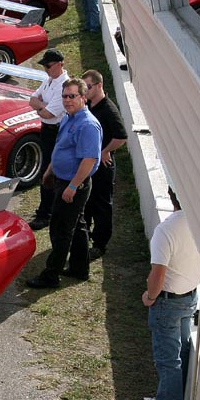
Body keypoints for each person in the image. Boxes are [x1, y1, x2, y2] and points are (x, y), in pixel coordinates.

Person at [140, 187, 200, 400]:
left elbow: (158, 275)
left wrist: (149, 297)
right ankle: (167, 398)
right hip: (189, 296)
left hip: (167, 302)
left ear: (170, 196)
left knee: (168, 360)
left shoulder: (166, 230)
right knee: (182, 351)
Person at [26, 78, 102, 289]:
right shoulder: (69, 117)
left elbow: (90, 160)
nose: (67, 100)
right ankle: (79, 269)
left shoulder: (88, 125)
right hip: (61, 179)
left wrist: (72, 186)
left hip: (73, 184)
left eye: (72, 96)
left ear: (83, 98)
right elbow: (61, 147)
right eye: (64, 96)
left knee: (61, 230)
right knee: (76, 226)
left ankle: (51, 275)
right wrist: (50, 171)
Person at [82, 70, 127, 257]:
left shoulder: (108, 109)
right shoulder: (90, 105)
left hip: (103, 166)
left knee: (101, 205)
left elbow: (121, 136)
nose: (86, 90)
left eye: (89, 87)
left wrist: (105, 151)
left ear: (99, 86)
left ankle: (100, 244)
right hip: (89, 163)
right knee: (87, 203)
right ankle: (84, 238)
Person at [26, 49, 69, 230]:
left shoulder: (64, 85)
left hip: (57, 131)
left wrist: (43, 107)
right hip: (47, 130)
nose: (45, 69)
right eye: (44, 66)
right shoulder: (49, 80)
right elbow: (32, 100)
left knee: (50, 172)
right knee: (46, 171)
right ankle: (46, 210)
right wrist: (43, 107)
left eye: (48, 66)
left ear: (59, 64)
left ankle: (47, 213)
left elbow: (50, 113)